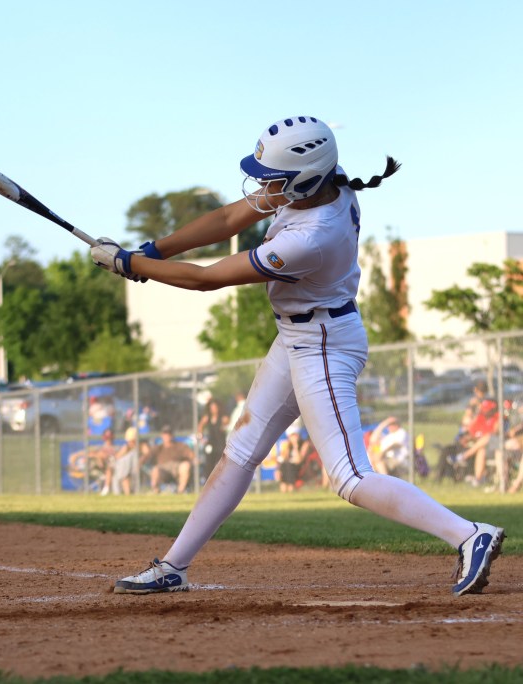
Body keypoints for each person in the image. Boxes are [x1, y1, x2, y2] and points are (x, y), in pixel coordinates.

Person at [90, 115, 503, 597]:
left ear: (304, 179)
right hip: (297, 336)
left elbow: (207, 279)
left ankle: (469, 534)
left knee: (349, 477)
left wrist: (130, 264)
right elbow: (227, 220)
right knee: (240, 451)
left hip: (323, 343)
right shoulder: (322, 184)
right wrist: (152, 250)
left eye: (274, 179)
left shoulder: (311, 236)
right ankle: (173, 566)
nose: (264, 188)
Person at [142, 425, 196, 494]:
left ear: (172, 435)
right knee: (155, 470)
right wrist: (140, 462)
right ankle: (155, 491)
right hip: (163, 469)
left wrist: (194, 459)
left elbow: (190, 454)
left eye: (169, 434)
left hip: (177, 467)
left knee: (186, 465)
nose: (167, 436)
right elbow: (147, 456)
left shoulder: (180, 445)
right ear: (162, 436)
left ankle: (180, 491)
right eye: (165, 434)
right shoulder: (158, 447)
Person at [102, 426, 142, 495]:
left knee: (124, 476)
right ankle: (108, 489)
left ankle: (127, 494)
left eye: (132, 441)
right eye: (130, 441)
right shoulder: (125, 448)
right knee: (120, 475)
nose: (131, 443)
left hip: (130, 470)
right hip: (121, 470)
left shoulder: (140, 447)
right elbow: (116, 457)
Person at [197, 396, 227, 479]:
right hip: (210, 444)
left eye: (215, 407)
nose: (213, 410)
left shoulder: (223, 418)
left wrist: (224, 426)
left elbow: (228, 427)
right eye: (212, 408)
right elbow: (200, 427)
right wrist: (201, 438)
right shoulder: (207, 418)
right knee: (209, 464)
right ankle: (208, 481)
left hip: (221, 444)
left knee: (222, 463)